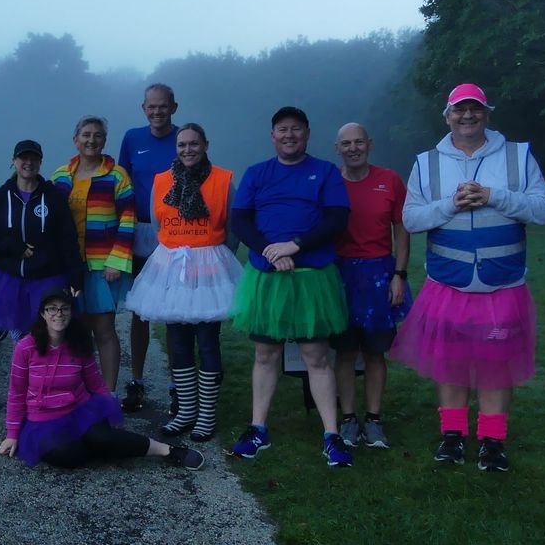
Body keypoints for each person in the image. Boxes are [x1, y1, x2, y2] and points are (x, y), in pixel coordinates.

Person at [392, 84, 545, 472]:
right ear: (447, 116)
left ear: (487, 114)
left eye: (475, 109)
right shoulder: (426, 162)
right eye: (459, 110)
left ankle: (493, 441)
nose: (468, 116)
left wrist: (494, 196)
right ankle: (452, 435)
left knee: (496, 364)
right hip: (449, 283)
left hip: (503, 284)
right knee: (451, 360)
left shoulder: (517, 155)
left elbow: (544, 210)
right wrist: (451, 204)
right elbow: (411, 219)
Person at [228, 107, 354, 467]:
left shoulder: (325, 172)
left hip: (311, 276)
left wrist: (295, 245)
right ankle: (258, 428)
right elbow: (240, 219)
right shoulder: (257, 173)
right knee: (265, 354)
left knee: (316, 357)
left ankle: (332, 434)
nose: (289, 135)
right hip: (267, 277)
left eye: (296, 130)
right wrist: (271, 250)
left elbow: (337, 219)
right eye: (282, 130)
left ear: (307, 134)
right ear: (273, 135)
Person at [125, 123, 243, 442]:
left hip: (209, 266)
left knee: (207, 342)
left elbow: (233, 227)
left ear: (205, 144)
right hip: (172, 266)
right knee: (177, 342)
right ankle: (185, 411)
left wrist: (217, 258)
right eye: (182, 145)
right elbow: (156, 219)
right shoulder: (162, 180)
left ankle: (206, 415)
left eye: (194, 144)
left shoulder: (222, 179)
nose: (187, 150)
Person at [0, 290, 204, 470]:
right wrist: (12, 434)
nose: (58, 314)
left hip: (78, 411)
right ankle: (100, 445)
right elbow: (16, 392)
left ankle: (169, 451)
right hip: (43, 420)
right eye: (52, 309)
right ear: (43, 313)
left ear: (71, 312)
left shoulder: (78, 344)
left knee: (103, 437)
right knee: (70, 456)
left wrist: (110, 411)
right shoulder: (26, 347)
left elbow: (95, 383)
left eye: (64, 308)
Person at [331, 122, 412, 449]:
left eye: (359, 142)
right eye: (346, 143)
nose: (353, 148)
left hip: (380, 273)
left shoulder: (390, 180)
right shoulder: (330, 181)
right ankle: (348, 419)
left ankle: (374, 420)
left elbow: (402, 230)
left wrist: (400, 274)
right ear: (337, 148)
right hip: (339, 275)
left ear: (369, 144)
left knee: (376, 353)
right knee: (346, 352)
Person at [51, 116, 135, 391]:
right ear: (76, 140)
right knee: (77, 332)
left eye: (97, 135)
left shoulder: (116, 175)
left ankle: (108, 394)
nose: (91, 140)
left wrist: (116, 261)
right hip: (71, 266)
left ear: (104, 141)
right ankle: (81, 391)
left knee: (104, 332)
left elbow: (128, 218)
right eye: (86, 135)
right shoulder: (61, 177)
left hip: (103, 267)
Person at [0, 139, 85, 335]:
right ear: (14, 161)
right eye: (23, 157)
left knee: (49, 336)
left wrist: (76, 276)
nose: (28, 162)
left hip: (47, 279)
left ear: (41, 162)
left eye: (34, 158)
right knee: (20, 338)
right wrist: (13, 246)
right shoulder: (0, 197)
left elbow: (68, 239)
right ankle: (22, 367)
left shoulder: (54, 197)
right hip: (9, 280)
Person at [117, 83, 180, 412]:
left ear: (174, 107)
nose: (157, 112)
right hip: (139, 228)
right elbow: (122, 183)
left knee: (171, 310)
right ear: (144, 108)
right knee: (139, 310)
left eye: (163, 106)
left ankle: (175, 384)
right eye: (151, 107)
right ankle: (137, 380)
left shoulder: (184, 138)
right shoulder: (132, 138)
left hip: (173, 231)